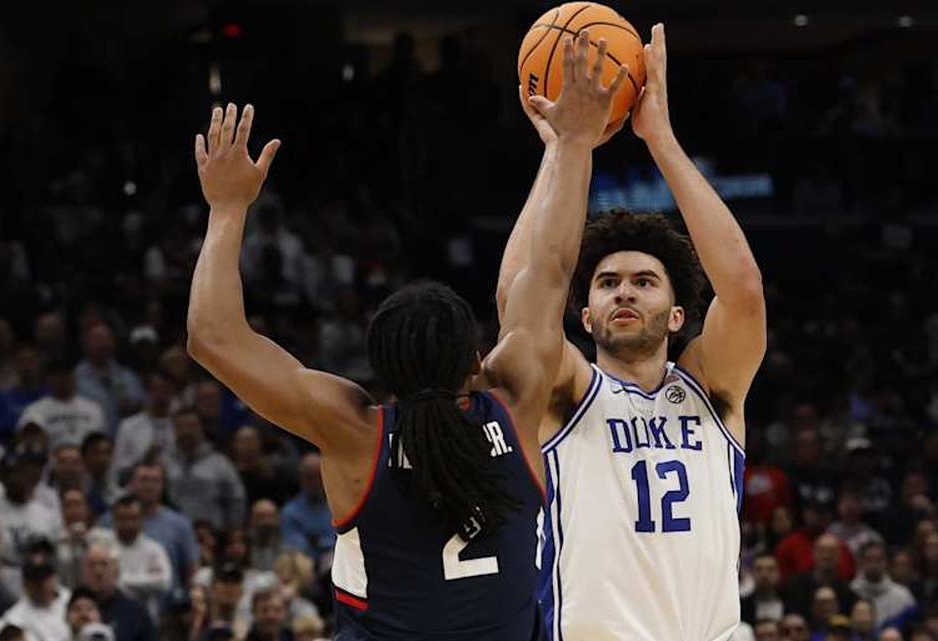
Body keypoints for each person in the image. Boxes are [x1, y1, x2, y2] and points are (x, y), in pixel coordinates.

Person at [185, 44, 619, 634]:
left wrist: (227, 208)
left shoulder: (356, 433)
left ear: (380, 371)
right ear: (476, 362)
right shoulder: (515, 404)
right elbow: (548, 269)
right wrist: (572, 148)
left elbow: (212, 336)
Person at [498, 27, 767, 641]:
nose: (624, 290)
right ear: (585, 315)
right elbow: (519, 298)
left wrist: (661, 139)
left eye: (645, 282)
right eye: (607, 283)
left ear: (678, 315)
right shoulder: (566, 392)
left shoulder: (714, 390)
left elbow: (745, 290)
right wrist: (564, 150)